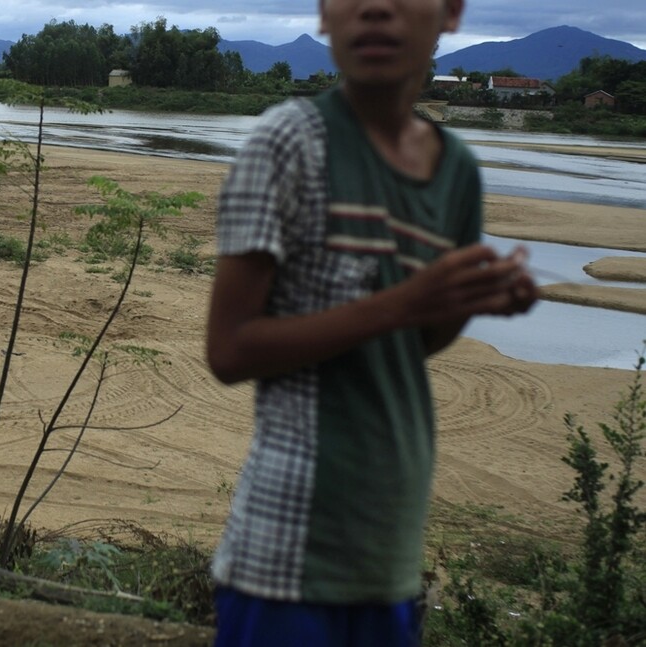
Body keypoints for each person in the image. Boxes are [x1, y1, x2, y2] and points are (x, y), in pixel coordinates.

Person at [205, 0, 539, 644]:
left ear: (450, 14)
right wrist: (408, 301)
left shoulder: (457, 171)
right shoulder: (288, 142)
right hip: (286, 552)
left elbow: (415, 341)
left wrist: (472, 298)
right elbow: (230, 349)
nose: (377, 9)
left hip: (390, 552)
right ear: (326, 17)